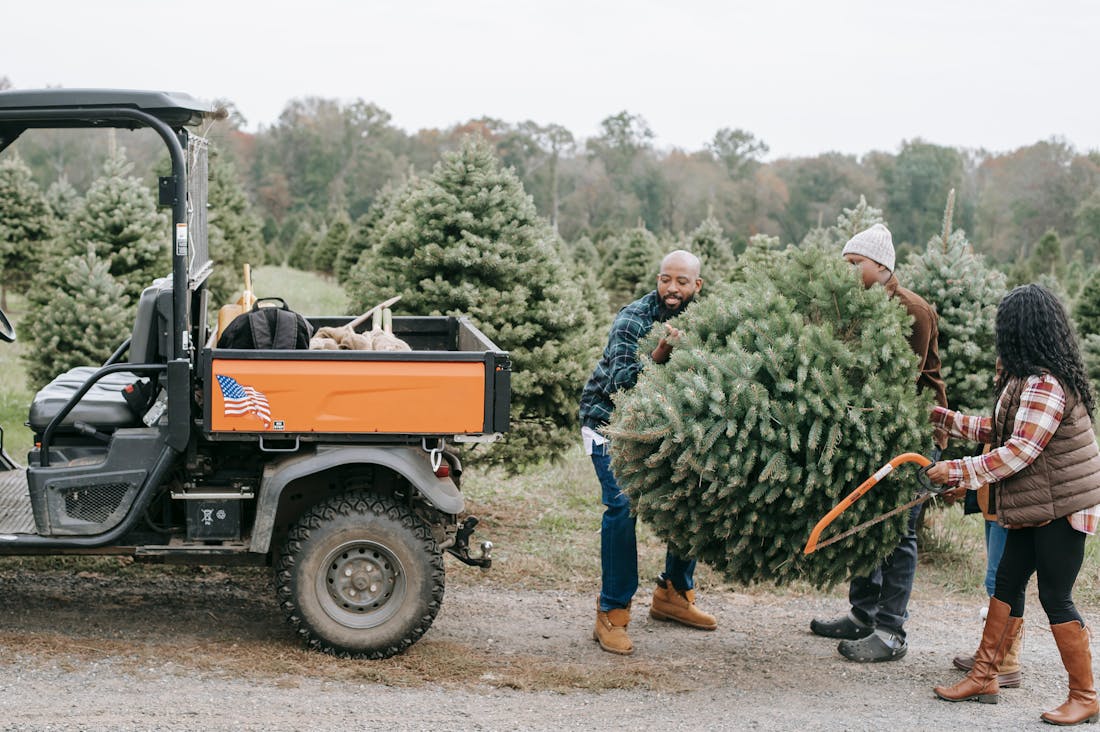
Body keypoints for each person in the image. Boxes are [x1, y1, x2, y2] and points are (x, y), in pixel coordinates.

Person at [927, 283, 1100, 724]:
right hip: (1035, 506)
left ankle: (1085, 695)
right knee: (1006, 583)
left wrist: (959, 471)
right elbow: (999, 429)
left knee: (1056, 597)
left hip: (1062, 508)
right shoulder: (1025, 379)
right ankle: (985, 675)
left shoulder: (1046, 384)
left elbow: (1021, 450)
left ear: (1020, 331)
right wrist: (945, 418)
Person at [809, 223, 949, 662]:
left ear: (883, 267)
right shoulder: (851, 305)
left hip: (914, 433)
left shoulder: (913, 310)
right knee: (865, 517)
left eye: (857, 264)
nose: (848, 271)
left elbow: (897, 380)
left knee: (898, 530)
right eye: (845, 263)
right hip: (870, 430)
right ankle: (862, 614)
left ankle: (891, 632)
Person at [580, 249, 716, 656]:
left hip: (668, 425)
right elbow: (623, 382)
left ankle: (673, 593)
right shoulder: (633, 319)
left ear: (697, 285)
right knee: (622, 506)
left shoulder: (706, 319)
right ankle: (612, 612)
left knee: (688, 495)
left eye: (681, 281)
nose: (671, 289)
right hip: (611, 421)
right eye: (665, 280)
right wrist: (659, 355)